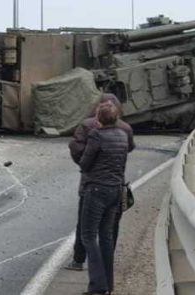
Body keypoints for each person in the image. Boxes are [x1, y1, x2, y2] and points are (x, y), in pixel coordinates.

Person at [66, 94, 135, 272]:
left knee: (85, 224)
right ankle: (107, 262)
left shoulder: (86, 126)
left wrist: (86, 167)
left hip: (91, 183)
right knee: (111, 226)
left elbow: (77, 150)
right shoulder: (125, 129)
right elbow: (130, 148)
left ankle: (78, 260)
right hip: (116, 182)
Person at [78, 102, 129, 295]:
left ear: (99, 118)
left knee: (88, 236)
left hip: (97, 188)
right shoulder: (123, 136)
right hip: (115, 188)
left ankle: (97, 285)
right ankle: (108, 283)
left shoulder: (96, 135)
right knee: (106, 236)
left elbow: (85, 163)